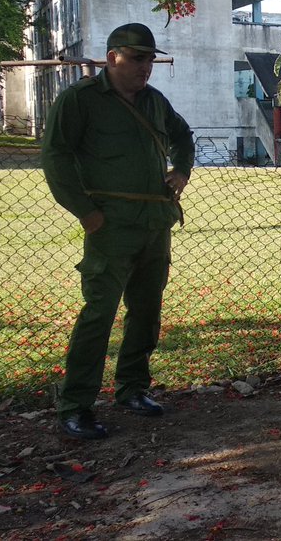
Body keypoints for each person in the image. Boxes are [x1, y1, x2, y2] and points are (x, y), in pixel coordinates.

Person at [42, 23, 194, 440]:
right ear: (113, 58)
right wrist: (84, 211)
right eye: (137, 57)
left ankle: (132, 388)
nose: (146, 66)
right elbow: (55, 155)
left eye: (150, 58)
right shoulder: (80, 100)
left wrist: (181, 169)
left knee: (146, 312)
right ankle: (75, 405)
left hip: (154, 225)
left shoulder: (155, 102)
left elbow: (183, 136)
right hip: (109, 227)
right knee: (98, 315)